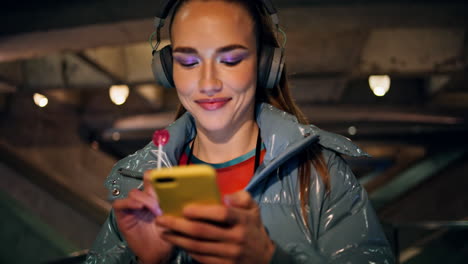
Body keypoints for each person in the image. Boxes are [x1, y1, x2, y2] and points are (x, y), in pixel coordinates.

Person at [86, 0, 395, 263]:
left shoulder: (320, 173)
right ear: (169, 69)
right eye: (189, 62)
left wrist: (269, 259)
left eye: (231, 60)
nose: (208, 84)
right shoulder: (139, 183)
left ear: (264, 65)